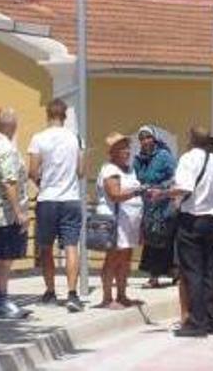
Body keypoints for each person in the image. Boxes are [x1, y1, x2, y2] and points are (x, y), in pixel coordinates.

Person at [157, 126, 213, 338]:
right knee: (211, 271)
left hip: (191, 220)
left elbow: (184, 187)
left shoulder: (187, 159)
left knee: (193, 272)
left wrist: (162, 193)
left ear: (191, 139)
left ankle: (196, 322)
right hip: (212, 221)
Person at [28, 99, 85, 313]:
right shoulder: (76, 138)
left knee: (45, 248)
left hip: (48, 199)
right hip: (70, 198)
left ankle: (50, 291)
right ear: (65, 116)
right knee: (71, 246)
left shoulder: (38, 138)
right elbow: (80, 171)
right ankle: (72, 294)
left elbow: (32, 171)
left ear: (48, 114)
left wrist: (44, 183)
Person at [0, 108, 31, 319]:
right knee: (6, 258)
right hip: (7, 212)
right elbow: (9, 182)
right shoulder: (6, 149)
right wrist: (19, 212)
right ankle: (0, 300)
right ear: (12, 126)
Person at [96, 132, 145, 309]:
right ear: (113, 152)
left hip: (128, 223)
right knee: (113, 258)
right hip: (115, 221)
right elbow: (115, 195)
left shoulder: (129, 169)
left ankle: (122, 295)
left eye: (127, 147)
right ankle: (107, 298)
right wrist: (138, 192)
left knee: (125, 258)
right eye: (123, 148)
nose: (127, 151)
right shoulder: (110, 170)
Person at [133, 125, 177, 289]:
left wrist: (162, 188)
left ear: (154, 138)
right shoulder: (138, 160)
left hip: (164, 205)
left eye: (148, 137)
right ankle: (159, 274)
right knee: (151, 240)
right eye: (142, 138)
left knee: (163, 240)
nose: (145, 141)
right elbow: (136, 178)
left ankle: (161, 275)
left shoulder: (164, 156)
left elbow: (176, 176)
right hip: (147, 206)